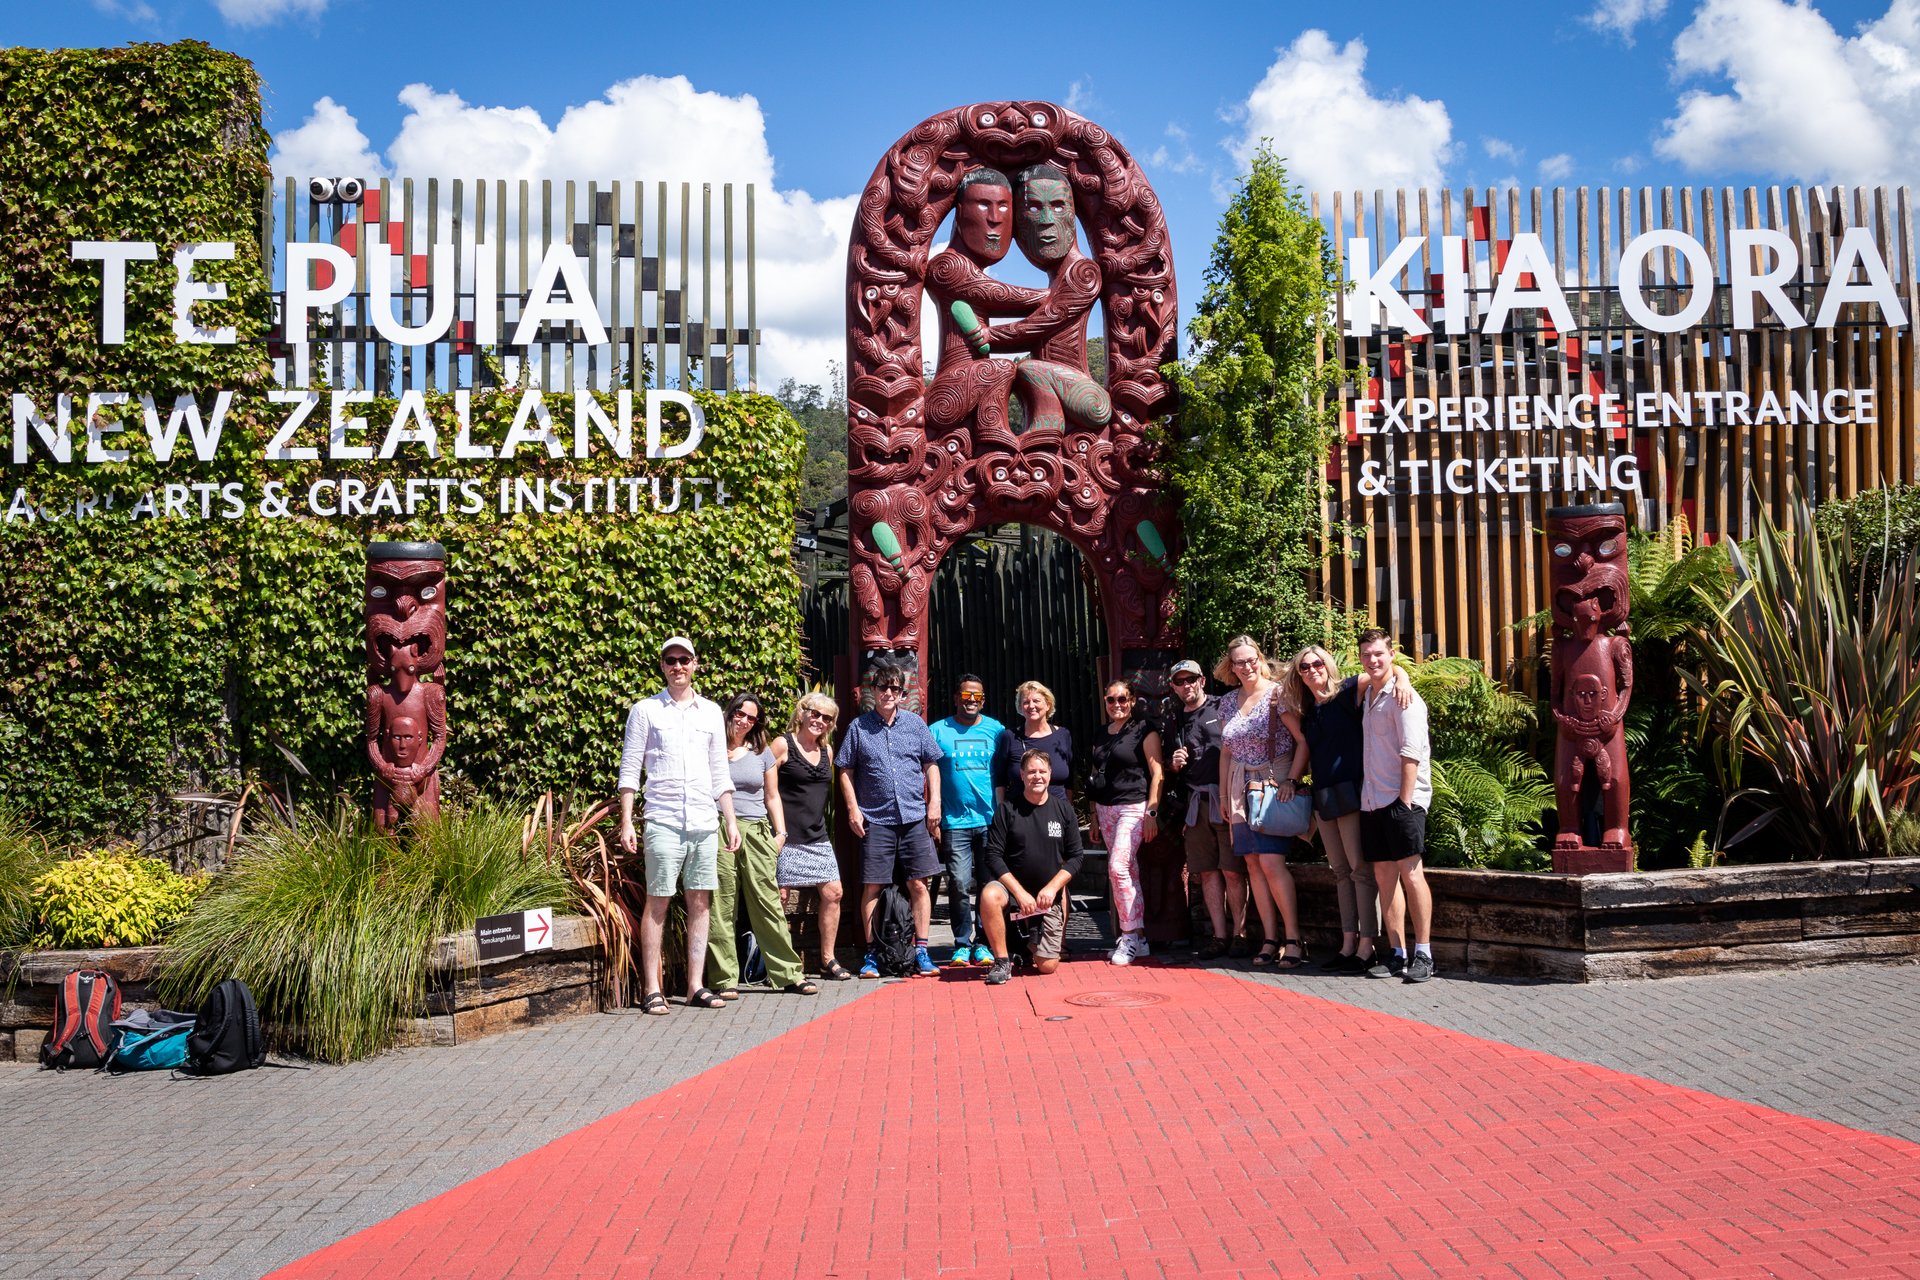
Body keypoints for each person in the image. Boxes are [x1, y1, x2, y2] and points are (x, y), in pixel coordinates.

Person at [617, 635, 740, 1015]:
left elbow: (720, 771)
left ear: (695, 663)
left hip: (705, 819)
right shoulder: (646, 711)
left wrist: (730, 820)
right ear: (662, 666)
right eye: (670, 660)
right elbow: (629, 768)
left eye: (684, 659)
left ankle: (694, 986)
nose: (678, 666)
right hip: (663, 819)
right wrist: (627, 820)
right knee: (658, 901)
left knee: (701, 901)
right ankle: (651, 988)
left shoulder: (710, 713)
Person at [1291, 645, 1410, 974]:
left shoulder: (1346, 692)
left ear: (1327, 665)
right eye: (1305, 667)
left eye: (1317, 663)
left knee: (1360, 870)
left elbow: (1384, 670)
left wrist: (1403, 680)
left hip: (1353, 792)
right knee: (1340, 871)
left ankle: (1366, 946)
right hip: (1324, 796)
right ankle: (1347, 944)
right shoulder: (1308, 710)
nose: (1312, 670)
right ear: (1299, 674)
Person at [836, 662, 945, 979]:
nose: (888, 693)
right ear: (873, 691)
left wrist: (934, 801)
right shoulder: (859, 728)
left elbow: (931, 764)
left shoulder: (915, 724)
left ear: (902, 693)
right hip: (876, 818)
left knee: (918, 885)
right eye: (882, 687)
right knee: (872, 887)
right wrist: (852, 808)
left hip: (913, 816)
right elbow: (845, 769)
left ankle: (921, 951)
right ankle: (871, 956)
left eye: (895, 689)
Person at [705, 692, 816, 1000]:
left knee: (767, 903)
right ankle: (724, 978)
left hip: (755, 830)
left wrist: (780, 834)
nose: (743, 721)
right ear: (730, 713)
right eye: (739, 713)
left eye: (751, 717)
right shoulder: (711, 748)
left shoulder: (762, 751)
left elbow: (772, 796)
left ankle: (788, 974)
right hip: (717, 829)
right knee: (721, 904)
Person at [1217, 636, 1310, 969]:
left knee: (1271, 863)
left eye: (1251, 658)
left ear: (1261, 658)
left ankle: (1294, 939)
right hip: (1240, 787)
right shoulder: (1227, 702)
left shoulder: (1277, 694)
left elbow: (1302, 741)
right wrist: (1224, 797)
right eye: (1239, 662)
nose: (1247, 666)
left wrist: (1292, 779)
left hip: (1272, 782)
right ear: (1231, 667)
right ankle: (1270, 938)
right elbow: (1226, 752)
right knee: (1253, 865)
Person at [1356, 628, 1437, 983]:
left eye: (1379, 654)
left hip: (1401, 800)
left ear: (1391, 655)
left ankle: (1424, 953)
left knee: (1411, 873)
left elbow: (1411, 753)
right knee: (1384, 878)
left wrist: (1404, 803)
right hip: (1372, 801)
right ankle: (1397, 953)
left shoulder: (1406, 698)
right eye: (1366, 654)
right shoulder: (1369, 695)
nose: (1373, 660)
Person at [978, 750, 1085, 985]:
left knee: (1046, 967)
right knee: (989, 894)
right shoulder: (1007, 810)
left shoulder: (1064, 810)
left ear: (1050, 774)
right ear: (1022, 775)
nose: (1037, 776)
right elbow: (993, 856)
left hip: (1047, 898)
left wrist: (1051, 888)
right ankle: (1002, 961)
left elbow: (1076, 857)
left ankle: (1027, 943)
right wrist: (1020, 893)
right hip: (1016, 894)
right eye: (1031, 772)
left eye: (1042, 771)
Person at [1165, 659, 1246, 960]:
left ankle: (1240, 934)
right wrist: (1173, 764)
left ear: (1202, 680)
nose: (1186, 686)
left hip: (1225, 799)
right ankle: (1219, 936)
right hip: (1195, 804)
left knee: (1233, 871)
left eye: (1191, 680)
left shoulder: (1222, 706)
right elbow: (1168, 768)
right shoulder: (1174, 720)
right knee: (1209, 872)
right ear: (1173, 686)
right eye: (1179, 681)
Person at [930, 675, 1008, 967]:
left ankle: (985, 945)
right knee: (960, 884)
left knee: (989, 887)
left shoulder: (997, 730)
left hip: (990, 822)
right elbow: (926, 771)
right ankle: (962, 943)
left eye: (977, 696)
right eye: (966, 695)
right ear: (955, 698)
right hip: (954, 822)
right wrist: (932, 810)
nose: (971, 700)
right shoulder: (937, 731)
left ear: (983, 700)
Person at [770, 691, 849, 980]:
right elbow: (766, 789)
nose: (819, 721)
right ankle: (780, 963)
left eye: (826, 718)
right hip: (785, 836)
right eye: (814, 713)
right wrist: (776, 831)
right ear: (801, 713)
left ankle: (827, 959)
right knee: (779, 897)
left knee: (834, 892)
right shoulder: (782, 745)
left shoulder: (827, 752)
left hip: (817, 836)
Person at [1089, 680, 1164, 966]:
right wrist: (1094, 815)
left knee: (1117, 868)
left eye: (1122, 699)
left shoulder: (1144, 729)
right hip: (1106, 808)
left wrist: (1152, 813)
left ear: (1132, 701)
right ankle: (1140, 938)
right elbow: (1095, 776)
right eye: (1111, 700)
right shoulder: (1100, 733)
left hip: (1133, 806)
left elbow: (1157, 773)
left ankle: (1129, 935)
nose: (1116, 705)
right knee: (1128, 872)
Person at [997, 680, 1073, 801]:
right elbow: (1000, 780)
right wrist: (1001, 813)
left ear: (1048, 705)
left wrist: (1067, 810)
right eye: (1026, 702)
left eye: (1036, 701)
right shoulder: (1010, 737)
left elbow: (1070, 781)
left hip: (1057, 813)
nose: (1031, 706)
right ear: (1020, 708)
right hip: (1019, 814)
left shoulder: (1063, 735)